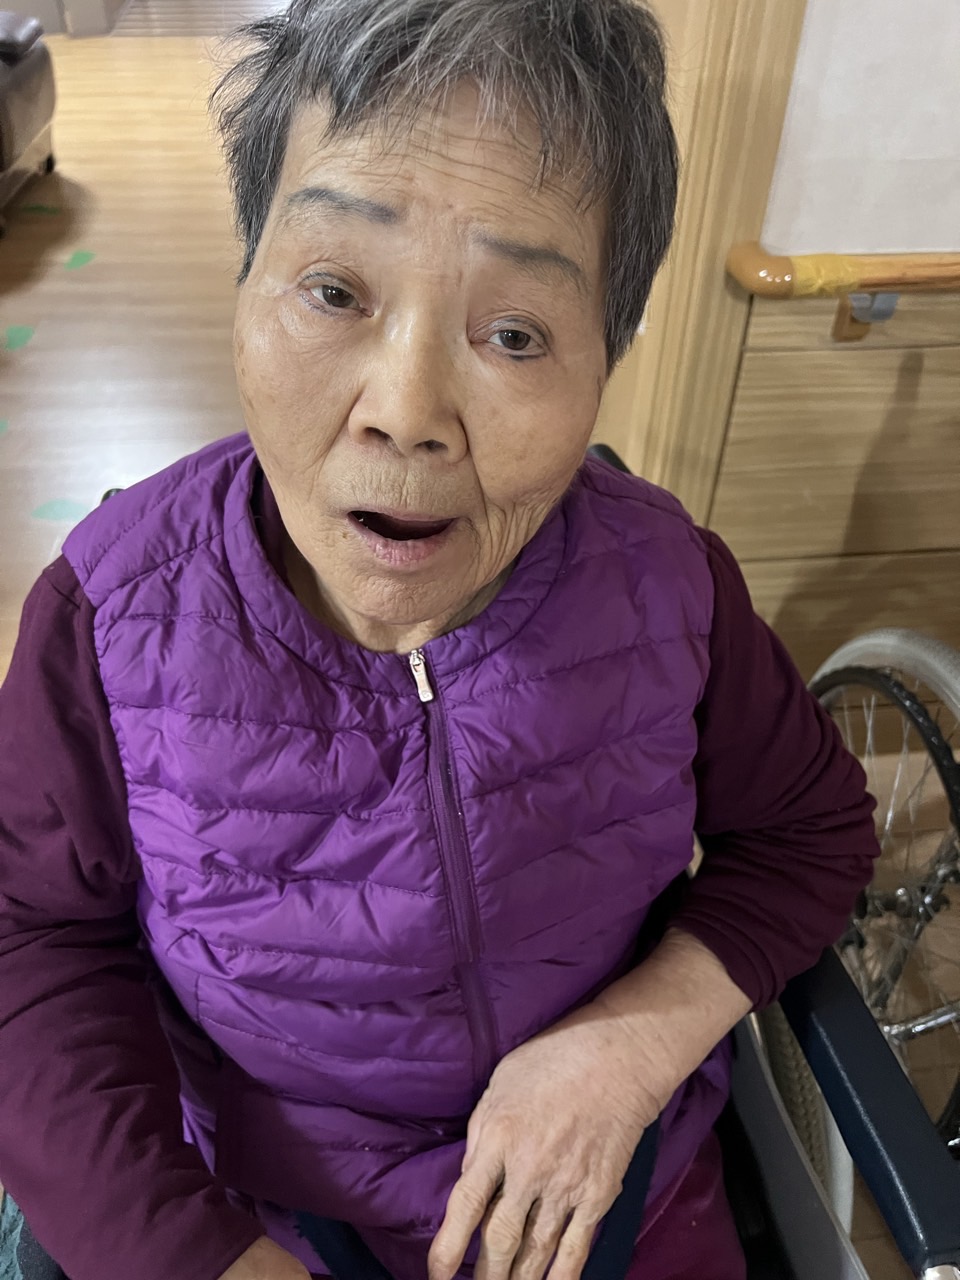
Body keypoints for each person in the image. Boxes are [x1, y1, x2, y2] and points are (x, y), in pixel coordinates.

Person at [0, 2, 879, 1279]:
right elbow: (29, 944)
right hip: (257, 1206)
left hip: (613, 1185)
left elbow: (810, 831)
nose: (407, 411)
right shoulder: (109, 613)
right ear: (246, 283)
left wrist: (632, 1041)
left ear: (607, 358)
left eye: (514, 333)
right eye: (334, 290)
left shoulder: (669, 584)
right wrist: (197, 1253)